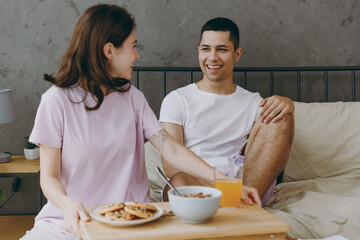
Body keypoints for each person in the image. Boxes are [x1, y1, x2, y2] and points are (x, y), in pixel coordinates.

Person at [20, 6, 260, 240]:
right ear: (109, 50)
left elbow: (171, 149)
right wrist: (67, 204)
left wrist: (224, 180)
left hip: (134, 222)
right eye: (133, 46)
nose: (137, 55)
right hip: (69, 221)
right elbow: (49, 178)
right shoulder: (56, 101)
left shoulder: (133, 98)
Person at [160, 17, 295, 206]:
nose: (212, 57)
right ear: (199, 52)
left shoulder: (253, 102)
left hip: (245, 185)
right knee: (179, 181)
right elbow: (171, 166)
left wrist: (288, 104)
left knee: (281, 114)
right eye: (206, 49)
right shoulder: (177, 99)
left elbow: (272, 152)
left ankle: (234, 206)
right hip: (196, 182)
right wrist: (219, 184)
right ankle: (233, 211)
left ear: (237, 54)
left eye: (221, 49)